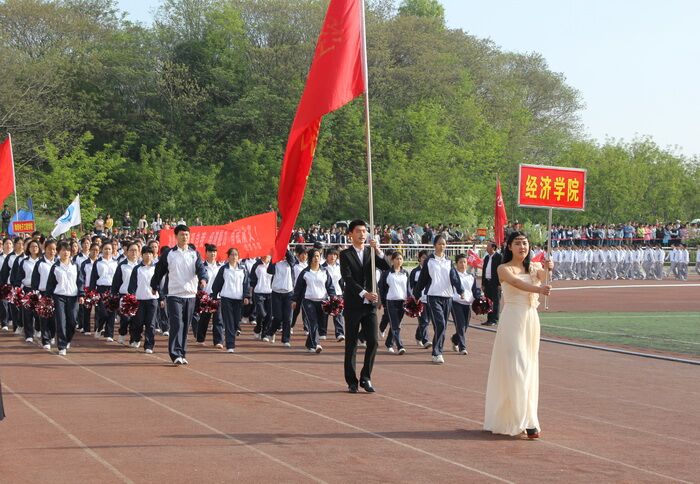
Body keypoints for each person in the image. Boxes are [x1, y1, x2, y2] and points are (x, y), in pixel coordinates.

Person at [483, 231, 553, 439]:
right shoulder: (503, 268)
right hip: (513, 318)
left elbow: (544, 277)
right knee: (518, 365)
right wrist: (538, 289)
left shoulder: (534, 267)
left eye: (525, 243)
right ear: (509, 247)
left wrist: (549, 268)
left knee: (529, 367)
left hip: (530, 319)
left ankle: (529, 418)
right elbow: (515, 283)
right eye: (518, 243)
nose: (522, 247)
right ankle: (523, 420)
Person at [339, 219, 389, 393]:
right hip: (354, 304)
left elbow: (387, 266)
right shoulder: (345, 255)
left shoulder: (371, 252)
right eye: (358, 231)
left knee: (373, 342)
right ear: (350, 234)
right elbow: (348, 278)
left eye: (364, 231)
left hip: (370, 305)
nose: (362, 234)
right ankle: (351, 381)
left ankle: (365, 377)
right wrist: (363, 293)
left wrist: (378, 250)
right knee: (351, 343)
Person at [150, 225, 208, 365]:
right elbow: (159, 271)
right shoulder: (169, 254)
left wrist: (203, 279)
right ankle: (175, 354)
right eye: (182, 234)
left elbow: (201, 268)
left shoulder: (194, 254)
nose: (185, 237)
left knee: (185, 326)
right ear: (176, 236)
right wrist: (155, 285)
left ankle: (182, 353)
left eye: (187, 235)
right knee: (177, 324)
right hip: (174, 294)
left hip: (190, 295)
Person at [412, 235, 466, 364]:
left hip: (447, 297)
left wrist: (460, 290)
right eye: (439, 244)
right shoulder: (429, 261)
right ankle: (437, 353)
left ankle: (437, 350)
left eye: (444, 244)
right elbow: (423, 279)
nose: (442, 246)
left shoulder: (448, 262)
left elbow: (454, 277)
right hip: (433, 296)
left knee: (443, 326)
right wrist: (417, 294)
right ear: (434, 245)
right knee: (440, 323)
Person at [292, 248, 336, 354]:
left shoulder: (324, 271)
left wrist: (333, 298)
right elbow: (298, 288)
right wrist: (294, 300)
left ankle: (309, 344)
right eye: (314, 256)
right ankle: (316, 344)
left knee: (319, 324)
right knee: (313, 322)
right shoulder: (305, 272)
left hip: (322, 301)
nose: (316, 258)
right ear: (310, 258)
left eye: (318, 256)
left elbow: (330, 286)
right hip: (308, 301)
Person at [46, 241, 84, 356]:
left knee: (72, 322)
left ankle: (67, 339)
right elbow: (50, 284)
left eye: (67, 250)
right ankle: (62, 346)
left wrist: (81, 294)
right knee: (61, 321)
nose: (66, 252)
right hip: (59, 297)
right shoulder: (55, 267)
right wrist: (48, 298)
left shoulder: (75, 266)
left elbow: (80, 281)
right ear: (58, 252)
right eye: (63, 250)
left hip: (73, 297)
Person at [211, 248, 250, 353]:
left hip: (238, 299)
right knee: (229, 322)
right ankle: (230, 345)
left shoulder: (243, 269)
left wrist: (246, 296)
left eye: (236, 255)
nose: (234, 257)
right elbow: (217, 283)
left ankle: (231, 337)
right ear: (228, 256)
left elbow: (246, 284)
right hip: (226, 298)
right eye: (232, 255)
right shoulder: (224, 269)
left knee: (236, 322)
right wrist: (214, 295)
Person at [127, 246, 160, 353]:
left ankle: (149, 345)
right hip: (139, 299)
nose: (148, 255)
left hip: (152, 299)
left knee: (151, 323)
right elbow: (132, 284)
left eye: (150, 253)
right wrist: (131, 296)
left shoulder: (156, 268)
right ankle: (136, 339)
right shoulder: (137, 269)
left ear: (153, 255)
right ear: (142, 255)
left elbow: (160, 284)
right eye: (145, 253)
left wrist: (162, 297)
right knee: (138, 322)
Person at [377, 251, 409, 355]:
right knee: (395, 325)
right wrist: (383, 302)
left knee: (396, 324)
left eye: (400, 259)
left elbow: (408, 288)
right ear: (392, 260)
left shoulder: (405, 273)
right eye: (397, 259)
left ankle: (389, 343)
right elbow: (382, 288)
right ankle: (400, 346)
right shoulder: (387, 273)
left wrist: (410, 301)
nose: (399, 261)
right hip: (391, 301)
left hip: (402, 302)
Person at [450, 253, 481, 355]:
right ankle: (462, 347)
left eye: (464, 262)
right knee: (460, 325)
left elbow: (475, 290)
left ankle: (455, 339)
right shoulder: (453, 275)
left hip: (467, 304)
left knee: (465, 326)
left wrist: (479, 297)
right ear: (456, 263)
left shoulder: (470, 276)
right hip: (456, 302)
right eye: (460, 262)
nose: (463, 264)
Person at [194, 244, 224, 347]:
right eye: (210, 251)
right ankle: (200, 339)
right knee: (204, 319)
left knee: (218, 319)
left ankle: (218, 341)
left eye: (214, 252)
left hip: (217, 296)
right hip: (206, 295)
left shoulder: (221, 267)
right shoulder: (202, 266)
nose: (213, 253)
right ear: (206, 253)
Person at [89, 241, 119, 341]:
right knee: (103, 312)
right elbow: (93, 278)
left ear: (112, 250)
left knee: (112, 312)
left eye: (109, 249)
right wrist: (92, 292)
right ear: (102, 250)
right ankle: (100, 327)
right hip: (101, 289)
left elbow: (118, 277)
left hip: (112, 289)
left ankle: (109, 334)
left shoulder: (116, 262)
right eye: (105, 249)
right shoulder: (98, 262)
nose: (107, 251)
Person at [409, 250, 432, 349]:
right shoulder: (415, 272)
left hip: (430, 299)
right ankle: (425, 340)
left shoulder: (431, 270)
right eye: (423, 258)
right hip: (419, 300)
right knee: (424, 321)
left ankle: (418, 336)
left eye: (427, 258)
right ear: (419, 259)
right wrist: (413, 298)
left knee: (427, 321)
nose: (425, 260)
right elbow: (410, 286)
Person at [481, 242, 502, 326]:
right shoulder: (486, 257)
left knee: (495, 301)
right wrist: (483, 283)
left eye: (488, 246)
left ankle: (494, 320)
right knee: (488, 301)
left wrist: (500, 283)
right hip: (487, 282)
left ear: (493, 248)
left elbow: (501, 271)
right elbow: (484, 270)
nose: (486, 247)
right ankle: (489, 319)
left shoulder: (499, 257)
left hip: (495, 283)